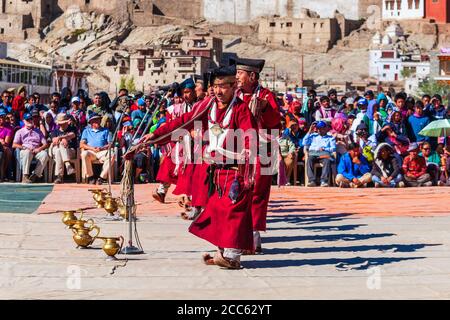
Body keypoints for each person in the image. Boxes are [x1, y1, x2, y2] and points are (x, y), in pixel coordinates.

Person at [141, 65, 257, 269]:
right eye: (215, 86)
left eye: (223, 87)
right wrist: (157, 134)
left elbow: (250, 137)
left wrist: (247, 158)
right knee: (218, 212)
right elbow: (184, 121)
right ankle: (223, 253)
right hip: (215, 171)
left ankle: (232, 257)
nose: (219, 92)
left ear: (233, 87)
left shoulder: (241, 110)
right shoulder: (207, 106)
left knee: (233, 211)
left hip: (235, 170)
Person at [232, 57, 281, 254]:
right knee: (238, 190)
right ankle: (236, 235)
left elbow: (276, 122)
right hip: (239, 149)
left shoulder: (266, 96)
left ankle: (253, 236)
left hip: (262, 149)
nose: (237, 77)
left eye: (240, 74)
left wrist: (265, 108)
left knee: (258, 191)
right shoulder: (234, 96)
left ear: (252, 76)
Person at [12, 113, 49, 183]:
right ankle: (25, 176)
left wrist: (39, 149)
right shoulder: (20, 131)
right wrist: (24, 147)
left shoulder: (38, 131)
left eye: (31, 119)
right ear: (24, 121)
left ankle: (35, 175)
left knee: (45, 155)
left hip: (36, 150)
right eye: (27, 119)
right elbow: (14, 145)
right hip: (25, 150)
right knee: (27, 152)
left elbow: (45, 144)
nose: (30, 121)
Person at [80, 113, 114, 185]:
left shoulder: (106, 130)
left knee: (112, 154)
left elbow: (111, 144)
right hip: (91, 152)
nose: (98, 122)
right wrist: (92, 148)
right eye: (95, 120)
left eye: (99, 120)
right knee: (84, 154)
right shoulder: (86, 131)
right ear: (91, 122)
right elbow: (82, 144)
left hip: (102, 151)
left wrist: (101, 148)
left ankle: (101, 177)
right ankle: (90, 177)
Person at [302, 120, 336, 187]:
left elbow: (333, 148)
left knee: (327, 160)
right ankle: (311, 181)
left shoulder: (330, 138)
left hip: (324, 153)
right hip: (313, 153)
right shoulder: (313, 136)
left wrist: (325, 149)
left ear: (326, 128)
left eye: (322, 128)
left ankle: (324, 181)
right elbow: (304, 143)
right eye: (318, 128)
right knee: (309, 159)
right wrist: (309, 131)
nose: (319, 129)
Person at [50, 114, 78, 184]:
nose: (62, 125)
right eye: (60, 124)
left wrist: (61, 138)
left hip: (70, 151)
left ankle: (59, 177)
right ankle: (67, 165)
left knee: (59, 149)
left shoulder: (72, 128)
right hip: (57, 150)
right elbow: (54, 141)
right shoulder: (54, 132)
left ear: (67, 122)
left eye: (63, 123)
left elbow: (72, 135)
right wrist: (63, 139)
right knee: (59, 149)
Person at [0, 109, 13, 181]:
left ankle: (2, 173)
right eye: (1, 116)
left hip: (4, 147)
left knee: (6, 150)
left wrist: (2, 141)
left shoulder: (9, 128)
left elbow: (6, 143)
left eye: (3, 116)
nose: (2, 118)